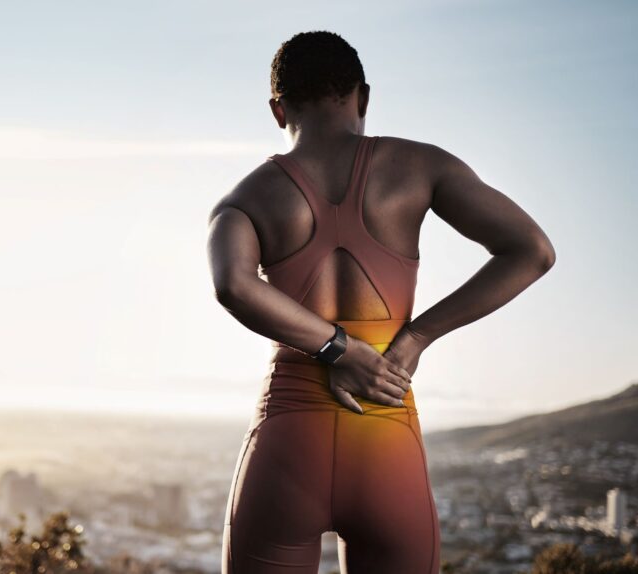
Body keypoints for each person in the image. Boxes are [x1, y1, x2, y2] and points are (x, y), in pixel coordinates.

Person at [206, 30, 556, 573]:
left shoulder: (245, 198)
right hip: (385, 425)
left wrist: (334, 349)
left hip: (288, 435)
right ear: (362, 97)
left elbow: (233, 284)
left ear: (278, 110)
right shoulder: (421, 167)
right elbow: (531, 251)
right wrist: (416, 336)